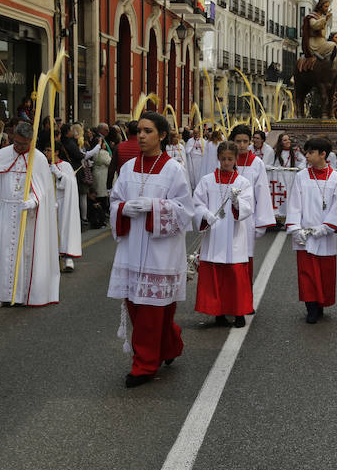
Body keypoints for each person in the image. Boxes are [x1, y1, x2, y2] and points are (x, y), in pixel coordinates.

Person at [108, 112, 193, 388]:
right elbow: (115, 200)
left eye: (147, 131)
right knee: (140, 306)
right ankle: (169, 346)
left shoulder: (174, 170)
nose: (141, 136)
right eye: (139, 131)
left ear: (162, 135)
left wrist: (155, 208)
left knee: (152, 311)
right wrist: (124, 208)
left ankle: (144, 365)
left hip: (160, 252)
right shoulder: (129, 167)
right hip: (132, 249)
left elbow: (185, 212)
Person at [0, 121, 59, 307]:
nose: (18, 147)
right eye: (16, 142)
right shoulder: (3, 154)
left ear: (31, 141)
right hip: (5, 211)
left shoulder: (38, 159)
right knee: (3, 252)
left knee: (25, 254)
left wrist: (34, 200)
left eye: (23, 144)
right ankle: (1, 294)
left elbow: (45, 189)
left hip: (28, 214)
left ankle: (23, 294)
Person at [192, 141, 254, 327]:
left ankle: (239, 312)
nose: (227, 162)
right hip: (214, 234)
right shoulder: (207, 180)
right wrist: (204, 214)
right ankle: (217, 312)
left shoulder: (242, 182)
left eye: (230, 159)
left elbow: (248, 206)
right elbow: (197, 203)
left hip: (234, 234)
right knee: (214, 274)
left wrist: (237, 203)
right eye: (223, 158)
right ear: (218, 158)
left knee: (235, 275)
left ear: (236, 159)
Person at [286, 138, 337, 324]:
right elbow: (294, 204)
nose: (307, 155)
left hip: (325, 235)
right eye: (307, 152)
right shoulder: (301, 176)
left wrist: (324, 228)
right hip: (304, 234)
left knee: (324, 273)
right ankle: (310, 306)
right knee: (307, 273)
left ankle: (320, 304)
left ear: (323, 155)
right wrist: (296, 229)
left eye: (311, 152)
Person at [231, 125, 275, 285]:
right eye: (238, 141)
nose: (241, 145)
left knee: (244, 258)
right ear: (232, 141)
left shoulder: (257, 163)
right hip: (227, 218)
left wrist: (261, 223)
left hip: (248, 219)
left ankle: (245, 300)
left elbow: (262, 192)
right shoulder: (226, 160)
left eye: (245, 141)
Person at [43, 138, 82, 272]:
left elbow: (70, 183)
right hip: (49, 201)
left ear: (56, 152)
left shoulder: (65, 165)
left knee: (64, 228)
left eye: (49, 150)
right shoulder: (43, 166)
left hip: (63, 201)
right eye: (45, 150)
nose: (46, 153)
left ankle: (67, 259)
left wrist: (58, 173)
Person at [270, 133, 305, 219]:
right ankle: (281, 215)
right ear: (281, 142)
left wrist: (299, 168)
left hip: (291, 176)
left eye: (288, 139)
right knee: (281, 196)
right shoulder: (276, 153)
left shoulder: (295, 151)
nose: (288, 141)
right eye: (285, 140)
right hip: (279, 178)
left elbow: (303, 160)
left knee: (291, 196)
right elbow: (273, 164)